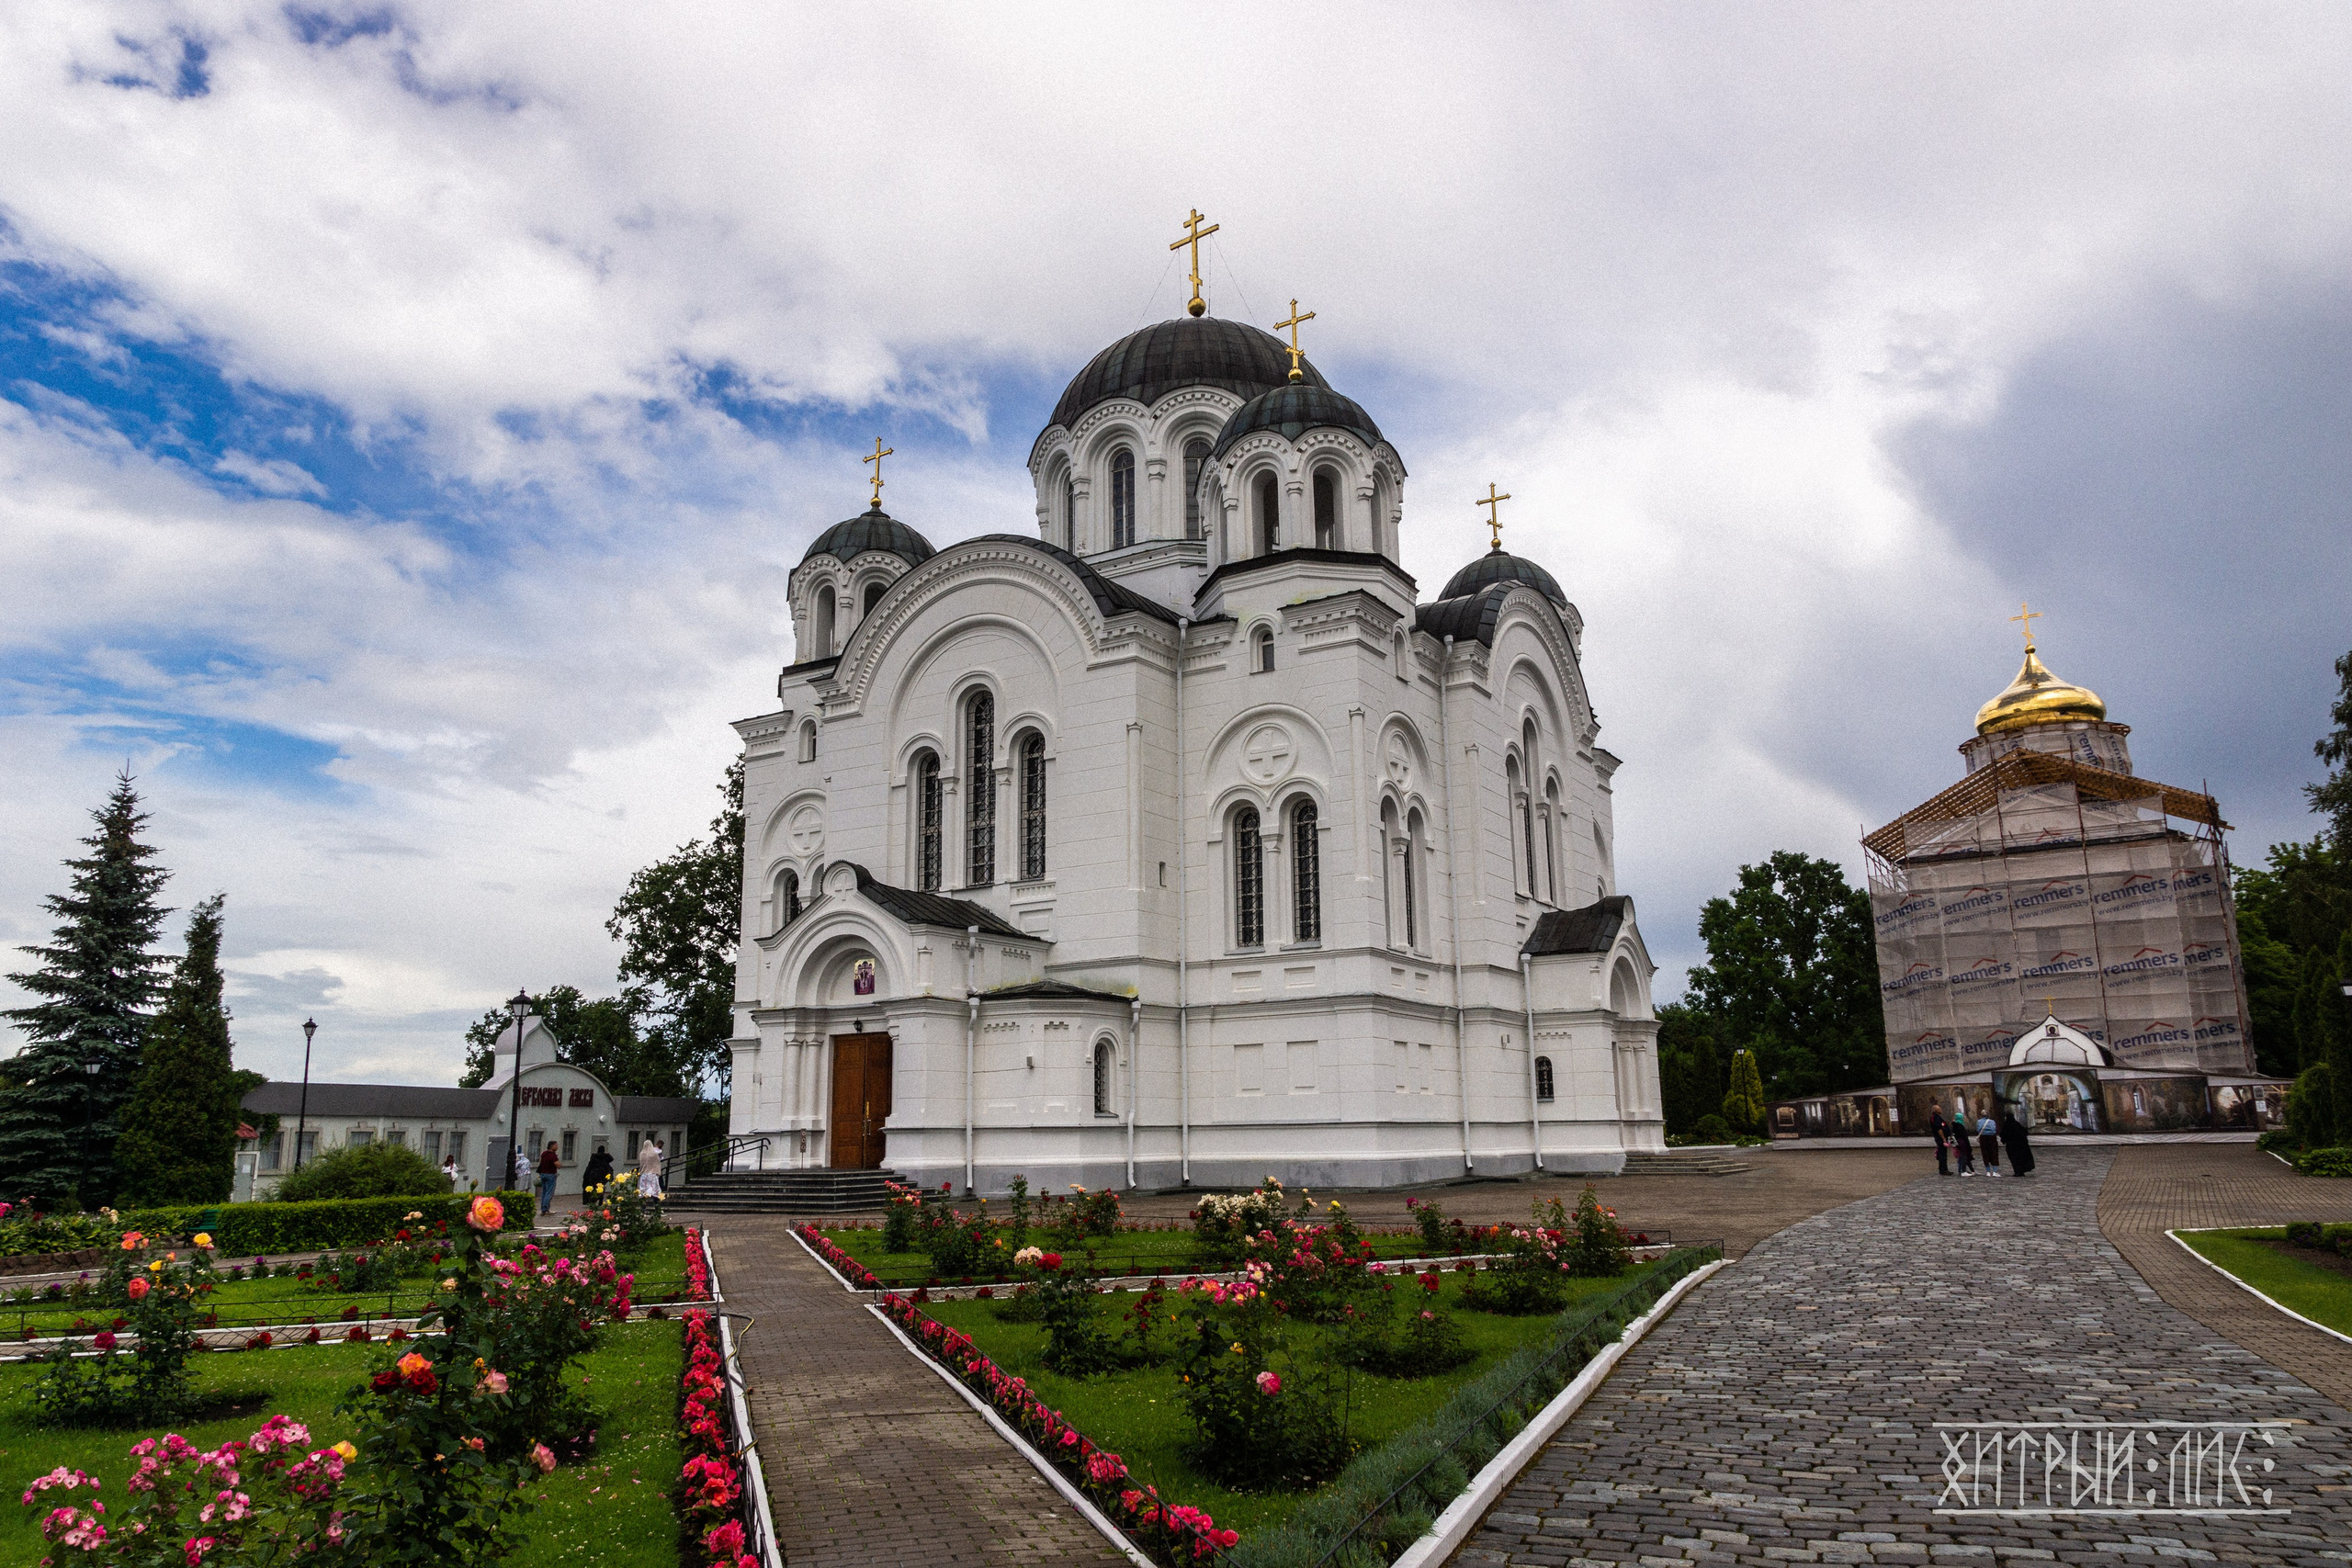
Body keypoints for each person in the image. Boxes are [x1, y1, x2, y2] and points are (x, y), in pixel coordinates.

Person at [1999, 1108, 2037, 1176]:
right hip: (2021, 1146)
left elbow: (2003, 1134)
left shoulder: (2007, 1125)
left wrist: (2004, 1140)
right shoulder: (2017, 1124)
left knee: (2014, 1159)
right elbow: (2024, 1132)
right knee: (2021, 1158)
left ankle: (2017, 1171)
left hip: (2011, 1146)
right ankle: (2021, 1171)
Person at [638, 1135, 665, 1201]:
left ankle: (643, 1207)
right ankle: (656, 1206)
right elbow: (658, 1161)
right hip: (652, 1173)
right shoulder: (654, 1154)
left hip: (644, 1174)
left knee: (643, 1191)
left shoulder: (642, 1154)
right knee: (654, 1190)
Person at [537, 1141, 560, 1213]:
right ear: (552, 1146)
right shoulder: (552, 1155)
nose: (557, 1147)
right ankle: (545, 1209)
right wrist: (559, 1164)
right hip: (550, 1175)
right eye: (556, 1146)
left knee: (544, 1192)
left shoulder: (544, 1153)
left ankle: (543, 1208)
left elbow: (541, 1163)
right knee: (549, 1192)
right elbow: (558, 1165)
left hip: (543, 1174)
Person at [1951, 1110, 1975, 1176]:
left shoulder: (1954, 1125)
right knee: (1964, 1156)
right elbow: (1964, 1136)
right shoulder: (1961, 1125)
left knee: (1961, 1156)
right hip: (1962, 1142)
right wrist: (1968, 1145)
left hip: (1957, 1142)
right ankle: (1963, 1171)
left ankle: (1961, 1170)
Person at [1977, 1111, 2002, 1176]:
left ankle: (1988, 1171)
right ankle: (1995, 1171)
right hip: (1992, 1138)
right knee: (1994, 1153)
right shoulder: (1992, 1121)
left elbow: (1978, 1129)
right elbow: (1994, 1129)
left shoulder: (1979, 1122)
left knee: (1985, 1153)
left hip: (1983, 1138)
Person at [1930, 1109, 1951, 1176]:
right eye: (1939, 1109)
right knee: (1942, 1154)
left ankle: (1944, 1169)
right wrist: (1943, 1138)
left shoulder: (1936, 1117)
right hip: (1940, 1138)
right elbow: (1939, 1128)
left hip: (1940, 1138)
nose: (1941, 1110)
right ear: (1936, 1110)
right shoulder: (1936, 1118)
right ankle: (1943, 1170)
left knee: (1942, 1154)